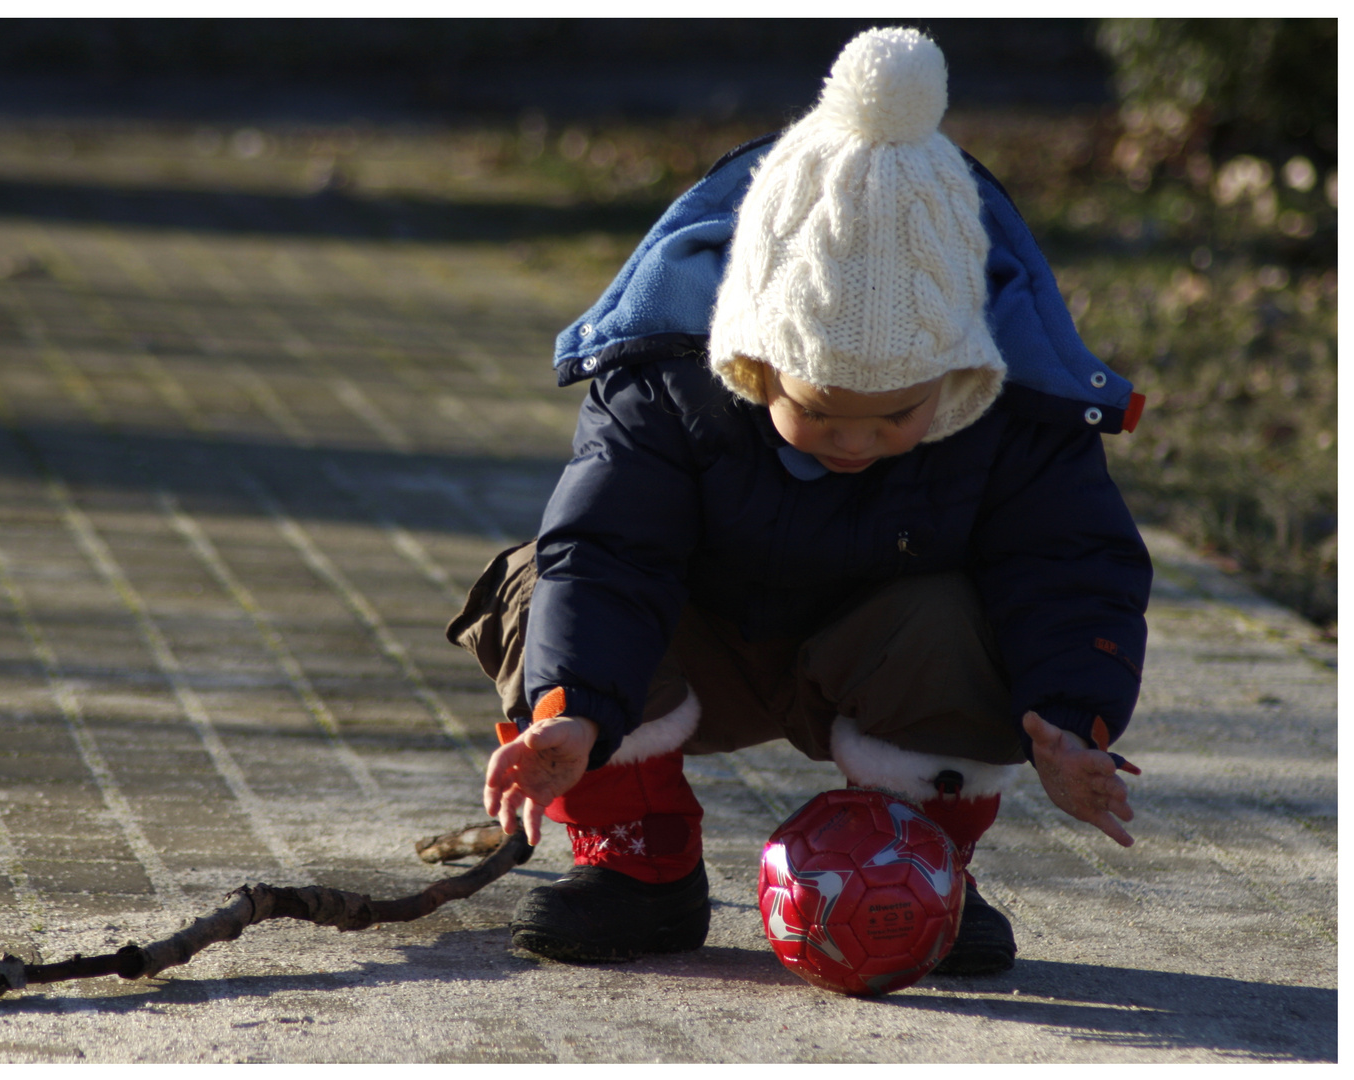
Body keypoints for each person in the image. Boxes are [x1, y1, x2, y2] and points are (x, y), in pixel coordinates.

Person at [447, 26, 1151, 975]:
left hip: (885, 657)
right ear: (751, 362)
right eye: (820, 413)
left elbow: (1072, 568)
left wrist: (1075, 723)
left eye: (898, 415)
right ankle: (639, 862)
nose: (856, 441)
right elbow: (608, 554)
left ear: (961, 374)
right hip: (709, 645)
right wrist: (571, 712)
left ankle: (920, 867)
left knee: (957, 617)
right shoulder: (665, 383)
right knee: (543, 586)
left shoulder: (1015, 413)